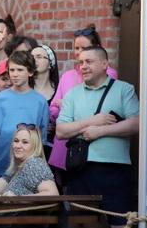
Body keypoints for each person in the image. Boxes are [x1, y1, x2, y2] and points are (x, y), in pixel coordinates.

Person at [56, 46, 139, 228]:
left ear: (105, 64)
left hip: (115, 169)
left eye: (89, 61)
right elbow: (61, 130)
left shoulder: (123, 90)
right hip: (82, 170)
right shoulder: (73, 94)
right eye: (81, 62)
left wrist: (101, 131)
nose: (83, 66)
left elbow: (137, 123)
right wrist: (92, 122)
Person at [48, 26, 119, 179]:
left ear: (97, 48)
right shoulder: (68, 76)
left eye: (84, 47)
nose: (79, 52)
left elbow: (104, 109)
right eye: (76, 48)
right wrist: (58, 110)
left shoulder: (109, 74)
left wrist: (67, 105)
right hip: (65, 145)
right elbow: (53, 108)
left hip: (93, 145)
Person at [0, 51, 49, 178]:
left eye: (20, 70)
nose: (15, 74)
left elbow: (41, 138)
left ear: (30, 72)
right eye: (12, 70)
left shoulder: (40, 102)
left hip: (28, 168)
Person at [0, 125, 59, 196]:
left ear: (35, 146)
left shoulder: (34, 163)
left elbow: (53, 194)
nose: (18, 146)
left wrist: (17, 199)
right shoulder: (16, 169)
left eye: (25, 142)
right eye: (16, 141)